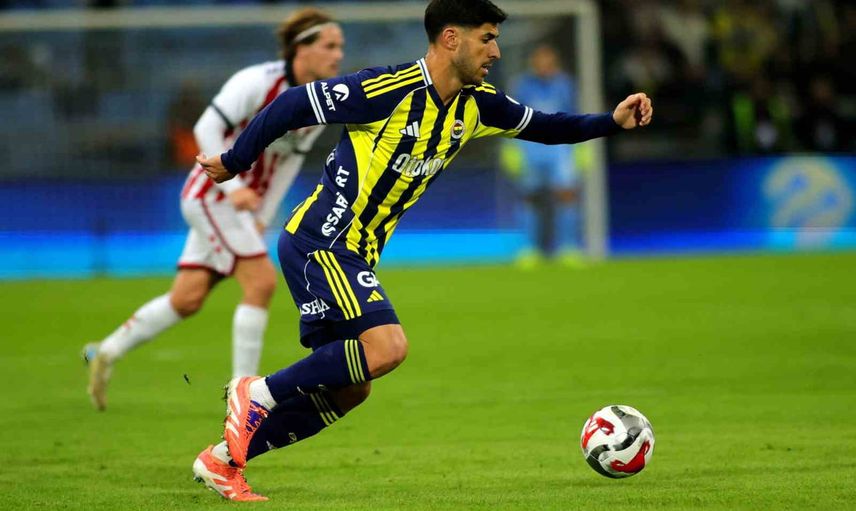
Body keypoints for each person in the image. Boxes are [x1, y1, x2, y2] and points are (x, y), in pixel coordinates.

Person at [192, 0, 652, 502]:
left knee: (351, 389)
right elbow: (292, 105)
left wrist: (612, 120)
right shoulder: (386, 89)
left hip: (355, 253)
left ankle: (223, 460)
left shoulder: (478, 105)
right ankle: (257, 392)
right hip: (322, 240)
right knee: (387, 348)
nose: (495, 52)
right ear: (451, 38)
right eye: (487, 38)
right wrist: (235, 160)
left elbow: (547, 126)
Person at [83, 8, 345, 412]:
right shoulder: (257, 81)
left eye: (339, 46)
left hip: (237, 208)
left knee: (186, 298)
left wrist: (262, 215)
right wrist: (235, 188)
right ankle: (243, 397)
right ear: (301, 48)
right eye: (329, 45)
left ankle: (106, 351)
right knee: (261, 283)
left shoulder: (317, 103)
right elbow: (205, 128)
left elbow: (288, 162)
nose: (338, 55)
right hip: (212, 195)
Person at [509, 43, 582, 266]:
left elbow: (575, 115)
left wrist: (580, 147)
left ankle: (568, 248)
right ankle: (529, 249)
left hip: (560, 148)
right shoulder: (522, 85)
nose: (543, 65)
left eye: (547, 60)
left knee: (566, 195)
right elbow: (510, 118)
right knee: (530, 197)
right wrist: (511, 148)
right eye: (539, 60)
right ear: (533, 63)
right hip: (530, 148)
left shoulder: (565, 85)